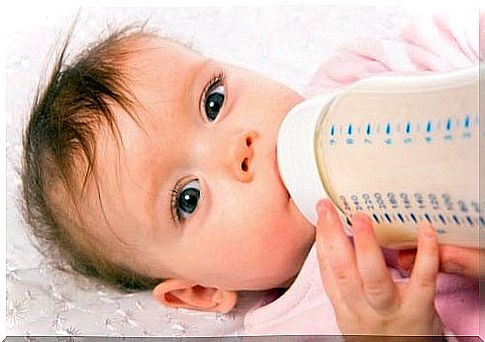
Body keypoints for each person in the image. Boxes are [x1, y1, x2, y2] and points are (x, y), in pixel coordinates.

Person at [21, 11, 482, 338]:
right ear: (203, 291)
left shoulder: (357, 81)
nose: (237, 149)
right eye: (188, 198)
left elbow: (458, 37)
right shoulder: (304, 327)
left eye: (213, 102)